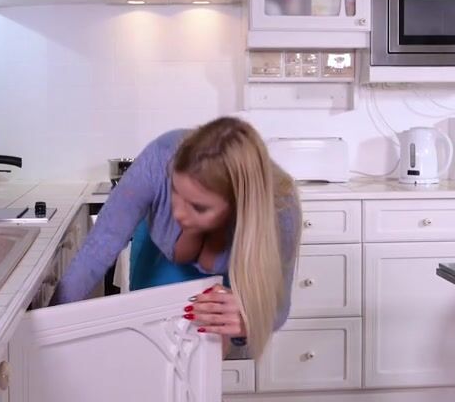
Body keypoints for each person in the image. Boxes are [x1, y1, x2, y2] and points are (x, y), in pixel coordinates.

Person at [51, 116, 302, 357]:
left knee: (205, 348)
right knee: (151, 339)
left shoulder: (279, 209)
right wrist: (47, 326)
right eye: (175, 192)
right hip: (158, 251)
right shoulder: (160, 158)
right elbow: (99, 247)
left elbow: (276, 310)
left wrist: (248, 319)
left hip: (233, 262)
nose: (179, 213)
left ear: (237, 208)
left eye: (198, 207)